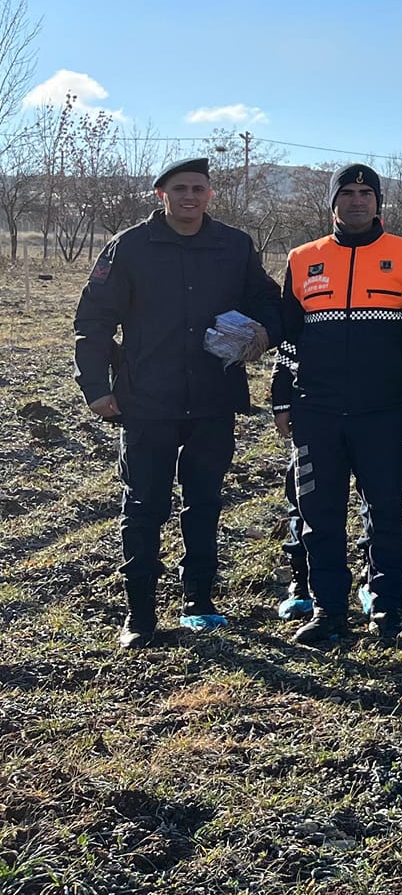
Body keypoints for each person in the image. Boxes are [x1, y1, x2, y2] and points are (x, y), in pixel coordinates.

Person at [75, 156, 282, 649]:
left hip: (213, 399)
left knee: (205, 503)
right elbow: (94, 321)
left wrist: (264, 332)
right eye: (180, 188)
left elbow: (270, 301)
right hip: (147, 401)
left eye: (200, 188)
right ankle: (140, 615)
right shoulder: (129, 247)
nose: (191, 196)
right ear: (159, 195)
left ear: (211, 194)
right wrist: (96, 388)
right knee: (144, 505)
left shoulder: (234, 245)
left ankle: (199, 601)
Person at [270, 164, 402, 646]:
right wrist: (281, 396)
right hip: (316, 410)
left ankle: (386, 607)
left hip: (385, 409)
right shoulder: (302, 258)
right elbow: (288, 336)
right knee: (320, 514)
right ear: (332, 201)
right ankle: (328, 611)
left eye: (367, 193)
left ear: (379, 201)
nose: (357, 201)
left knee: (385, 510)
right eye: (348, 193)